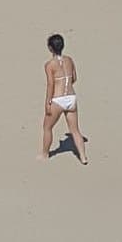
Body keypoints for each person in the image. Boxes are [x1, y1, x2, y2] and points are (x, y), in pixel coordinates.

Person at [40, 34, 87, 164]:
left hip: (58, 99)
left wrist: (48, 102)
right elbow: (74, 78)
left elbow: (50, 84)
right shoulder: (69, 60)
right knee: (75, 130)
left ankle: (45, 154)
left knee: (47, 127)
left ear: (50, 48)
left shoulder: (50, 65)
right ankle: (83, 157)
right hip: (71, 98)